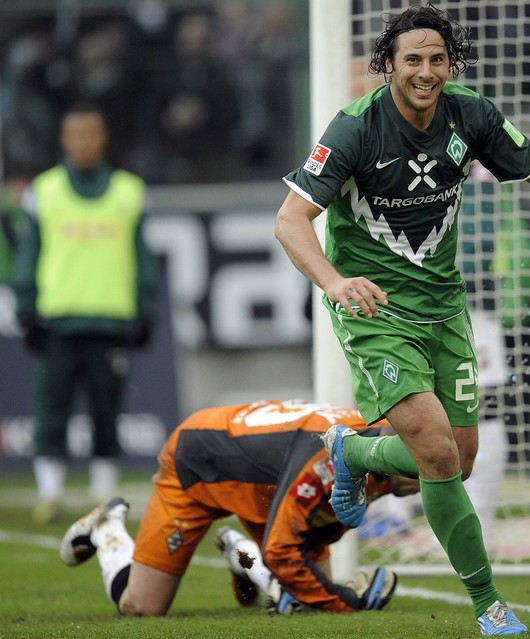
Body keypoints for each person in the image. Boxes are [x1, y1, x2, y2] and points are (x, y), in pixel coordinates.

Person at [273, 4, 530, 635]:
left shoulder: (471, 113)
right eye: (412, 59)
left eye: (436, 59)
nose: (425, 71)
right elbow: (289, 220)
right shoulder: (355, 127)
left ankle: (353, 451)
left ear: (450, 65)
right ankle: (488, 602)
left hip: (444, 308)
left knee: (459, 461)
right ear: (387, 66)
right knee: (438, 454)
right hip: (376, 311)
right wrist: (334, 282)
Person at [58, 399, 415, 616]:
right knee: (143, 606)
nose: (425, 481)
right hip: (197, 464)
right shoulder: (327, 459)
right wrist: (345, 601)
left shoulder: (375, 439)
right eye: (423, 471)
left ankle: (243, 557)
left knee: (303, 597)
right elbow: (281, 552)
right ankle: (106, 530)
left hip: (261, 481)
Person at [13, 102, 158, 523]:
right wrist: (26, 305)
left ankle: (102, 494)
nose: (84, 143)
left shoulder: (129, 191)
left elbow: (142, 255)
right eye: (76, 135)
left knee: (106, 410)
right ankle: (50, 493)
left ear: (102, 138)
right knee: (52, 407)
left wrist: (145, 308)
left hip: (110, 320)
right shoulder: (45, 190)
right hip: (58, 319)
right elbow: (30, 252)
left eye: (91, 135)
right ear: (64, 140)